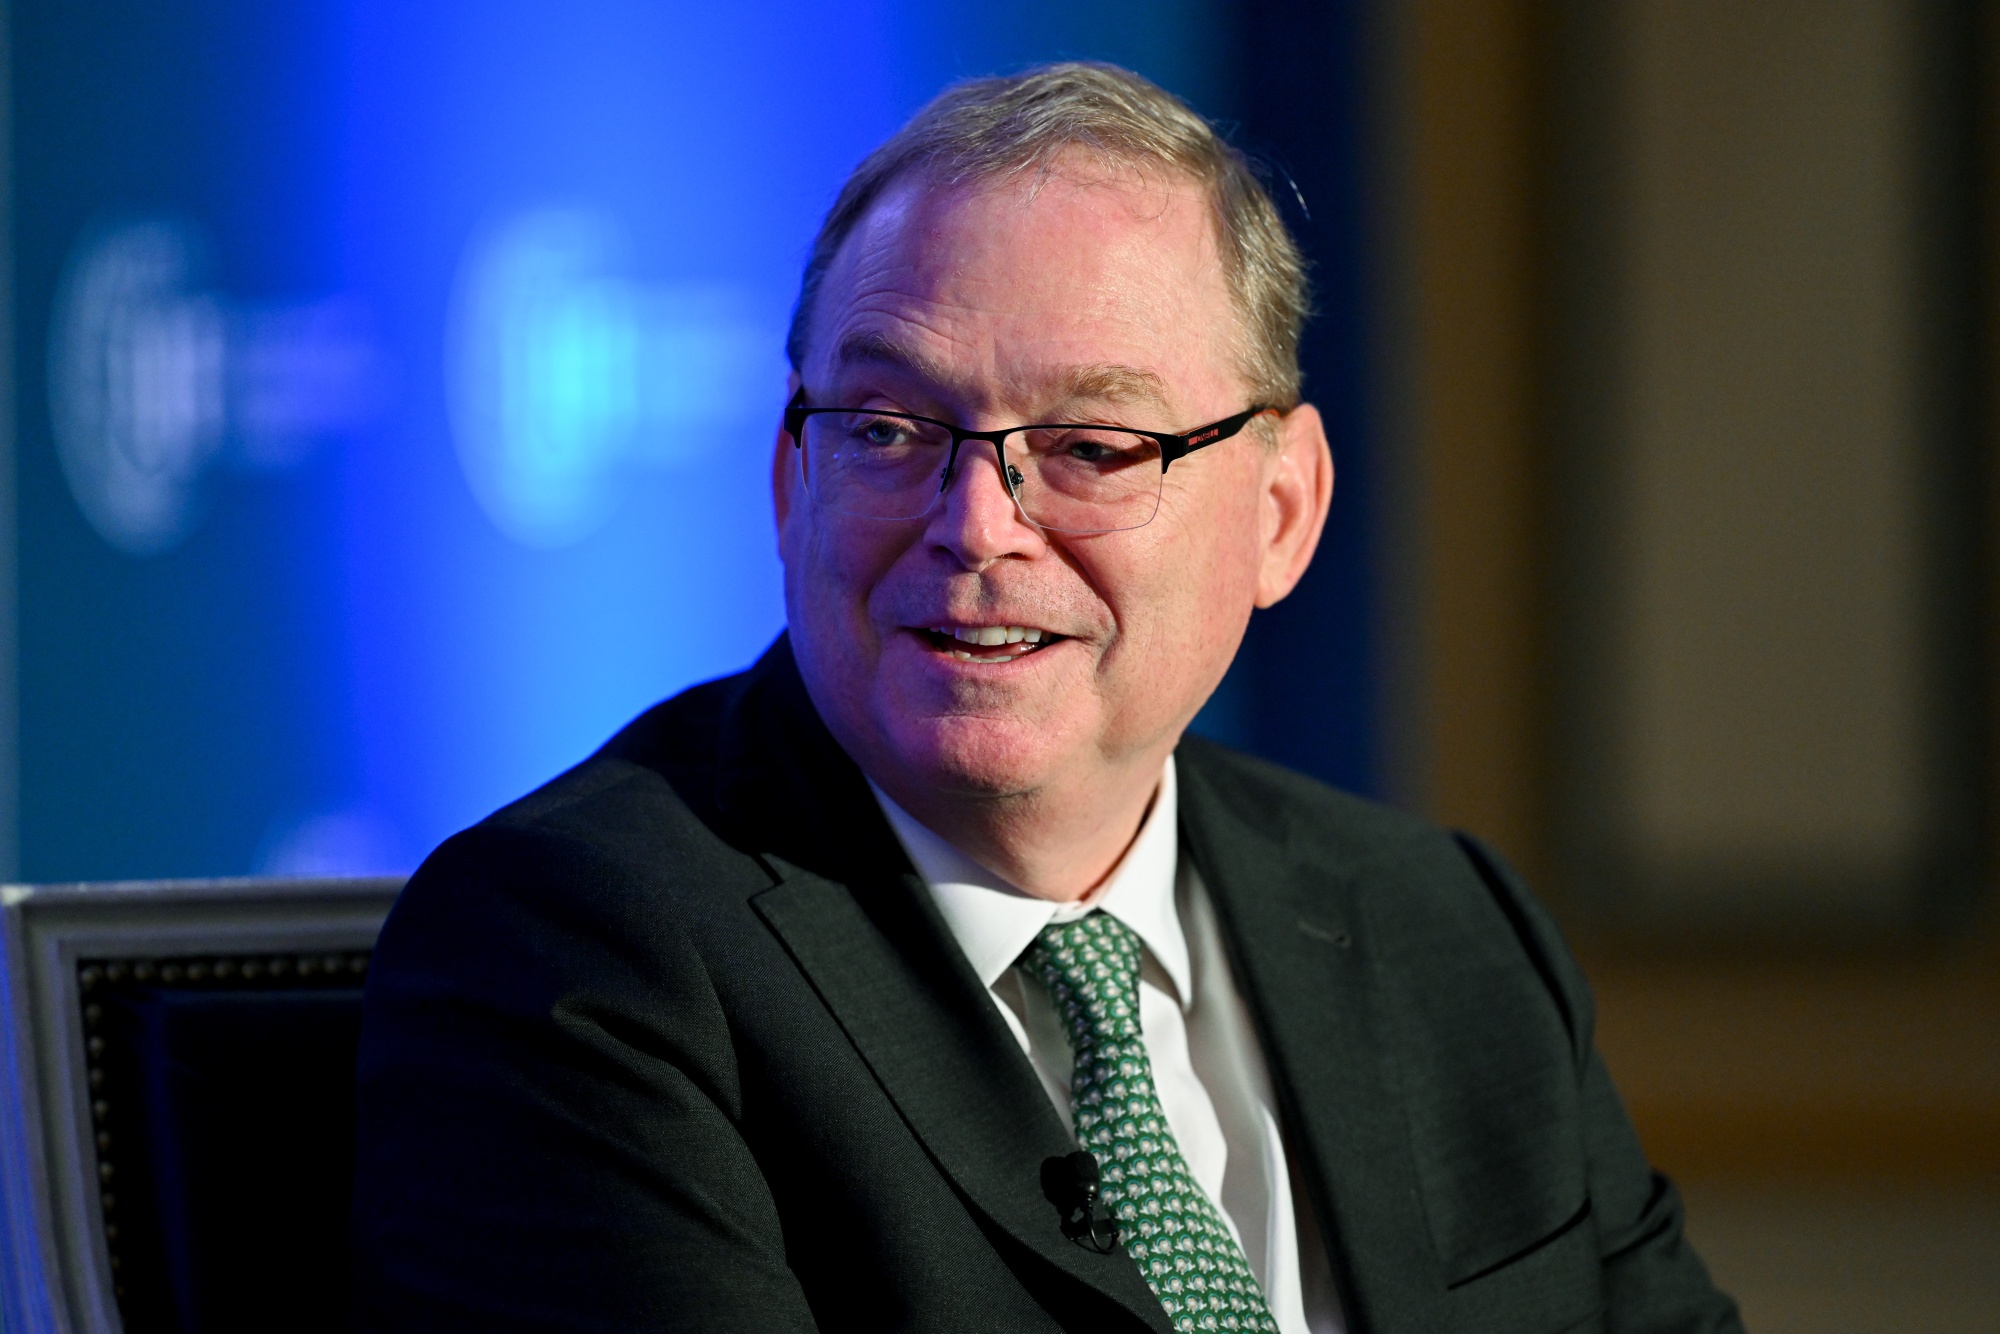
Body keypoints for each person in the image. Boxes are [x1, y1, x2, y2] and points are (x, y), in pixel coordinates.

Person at [351, 63, 1741, 1334]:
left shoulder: (1451, 931)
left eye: (1089, 445)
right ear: (790, 481)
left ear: (1282, 509)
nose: (976, 524)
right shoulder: (573, 958)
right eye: (892, 431)